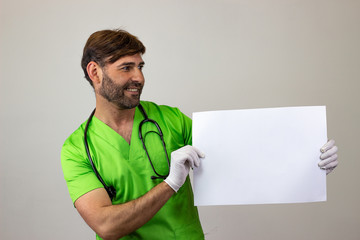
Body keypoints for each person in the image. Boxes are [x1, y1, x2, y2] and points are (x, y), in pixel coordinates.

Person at [61, 29, 339, 240]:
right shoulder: (77, 149)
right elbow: (106, 226)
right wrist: (170, 184)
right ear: (95, 72)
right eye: (126, 67)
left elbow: (240, 158)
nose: (139, 77)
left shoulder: (169, 119)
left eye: (141, 67)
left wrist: (307, 164)